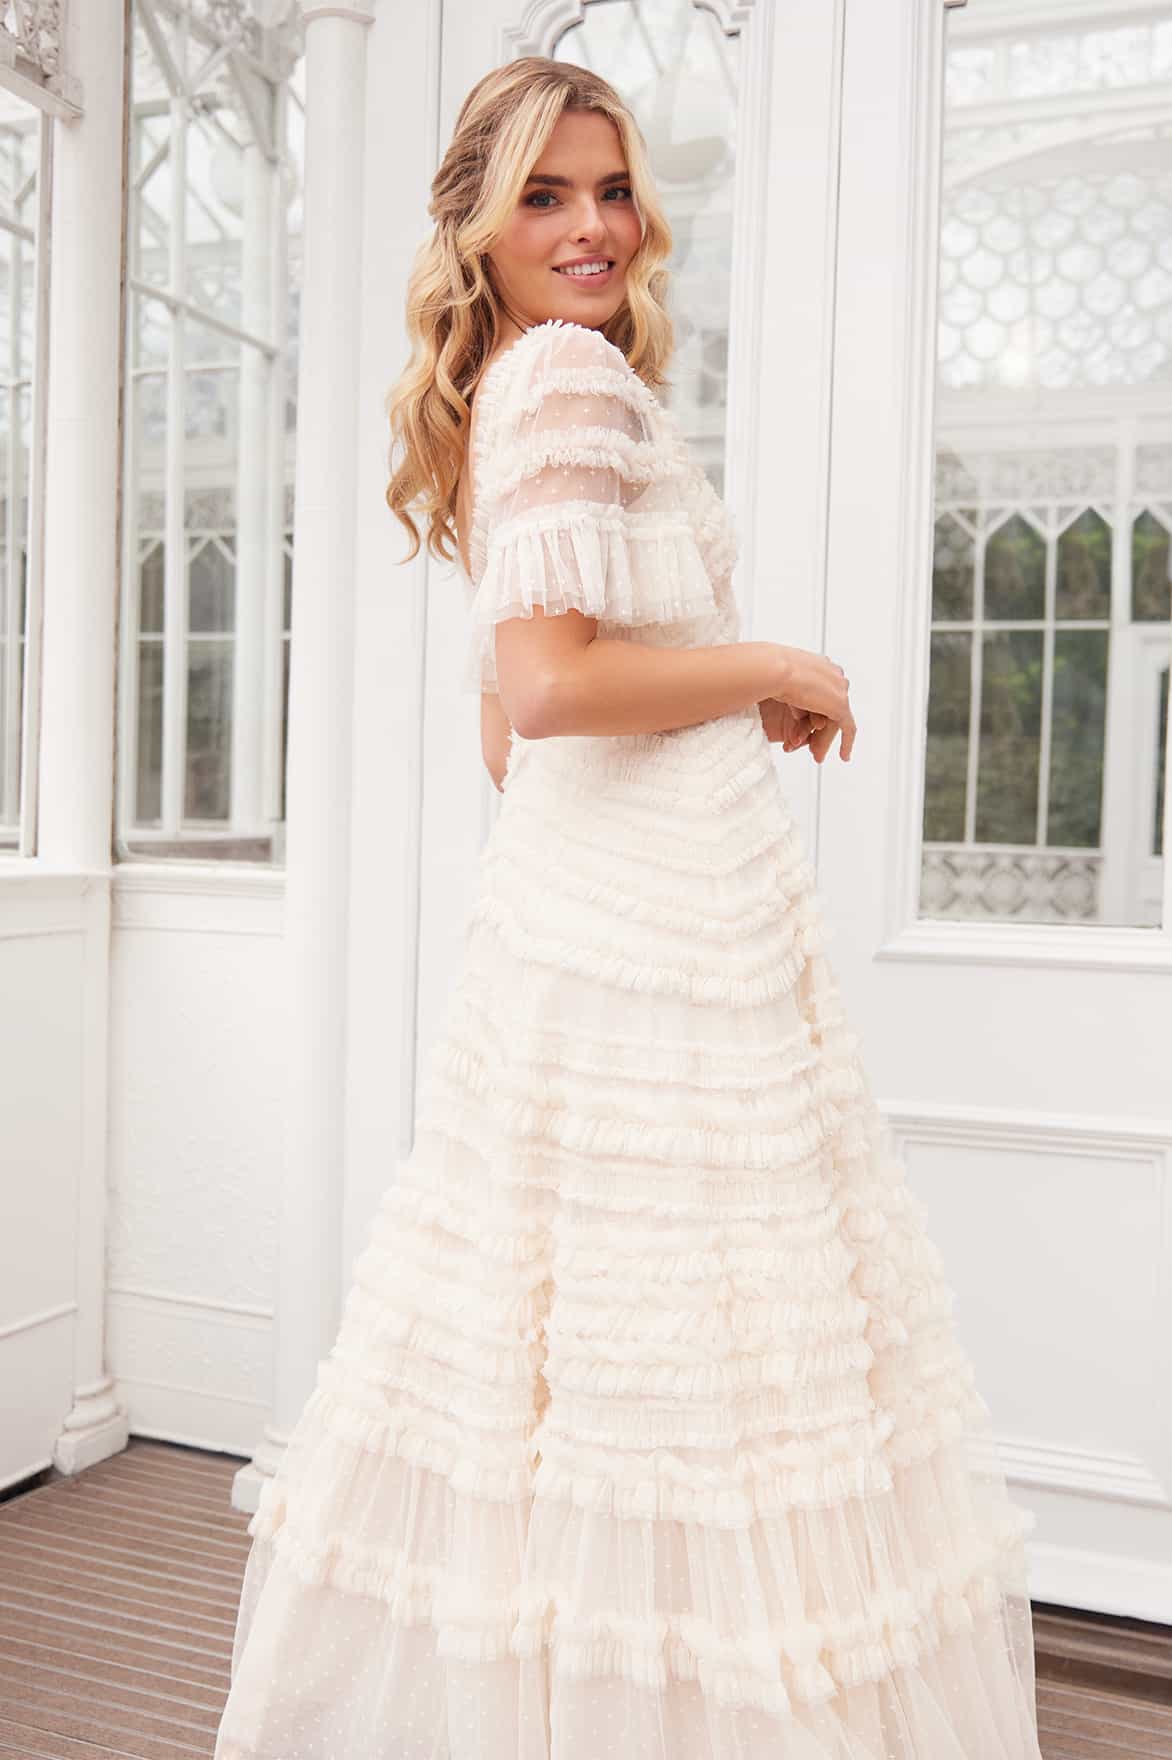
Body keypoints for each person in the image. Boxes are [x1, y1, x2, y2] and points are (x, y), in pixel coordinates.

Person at [213, 55, 1044, 1760]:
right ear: (479, 223)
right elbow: (552, 690)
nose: (592, 226)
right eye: (545, 195)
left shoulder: (519, 381)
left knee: (593, 1347)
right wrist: (770, 667)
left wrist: (705, 708)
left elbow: (512, 727)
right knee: (696, 1350)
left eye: (609, 190)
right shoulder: (569, 378)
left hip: (606, 913)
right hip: (661, 932)